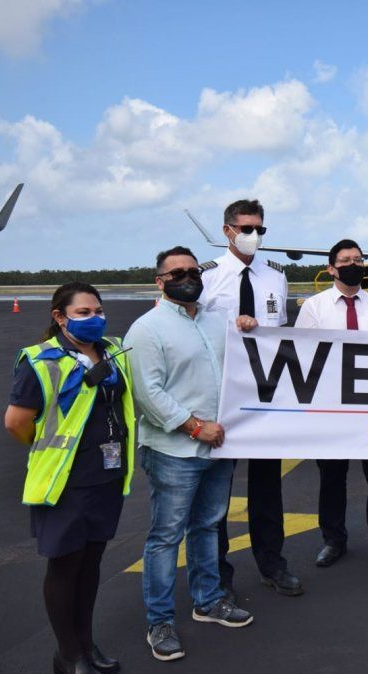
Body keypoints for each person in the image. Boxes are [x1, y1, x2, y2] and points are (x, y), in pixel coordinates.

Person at [126, 247, 252, 663]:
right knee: (166, 536)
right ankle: (159, 621)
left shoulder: (217, 322)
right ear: (159, 281)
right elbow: (148, 393)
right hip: (175, 449)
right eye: (176, 272)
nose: (187, 276)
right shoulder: (147, 330)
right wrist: (196, 426)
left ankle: (208, 601)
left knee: (207, 526)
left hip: (219, 447)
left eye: (193, 270)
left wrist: (250, 327)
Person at [4, 282, 135, 674]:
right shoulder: (40, 361)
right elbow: (16, 423)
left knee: (91, 564)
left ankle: (87, 643)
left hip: (106, 475)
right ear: (59, 317)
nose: (94, 318)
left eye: (98, 310)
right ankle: (68, 654)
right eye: (83, 313)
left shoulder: (114, 351)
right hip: (66, 479)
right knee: (65, 566)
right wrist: (51, 447)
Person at [197, 199, 303, 597]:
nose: (253, 236)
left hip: (263, 396)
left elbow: (283, 335)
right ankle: (218, 574)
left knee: (266, 488)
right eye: (246, 228)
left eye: (260, 229)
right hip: (219, 396)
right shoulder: (207, 277)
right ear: (227, 230)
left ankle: (272, 563)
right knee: (216, 493)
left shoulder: (276, 277)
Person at [295, 239, 368, 575]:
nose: (353, 264)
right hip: (331, 407)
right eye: (345, 260)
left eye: (358, 259)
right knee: (332, 477)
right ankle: (333, 541)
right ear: (331, 268)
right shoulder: (314, 307)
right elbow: (303, 355)